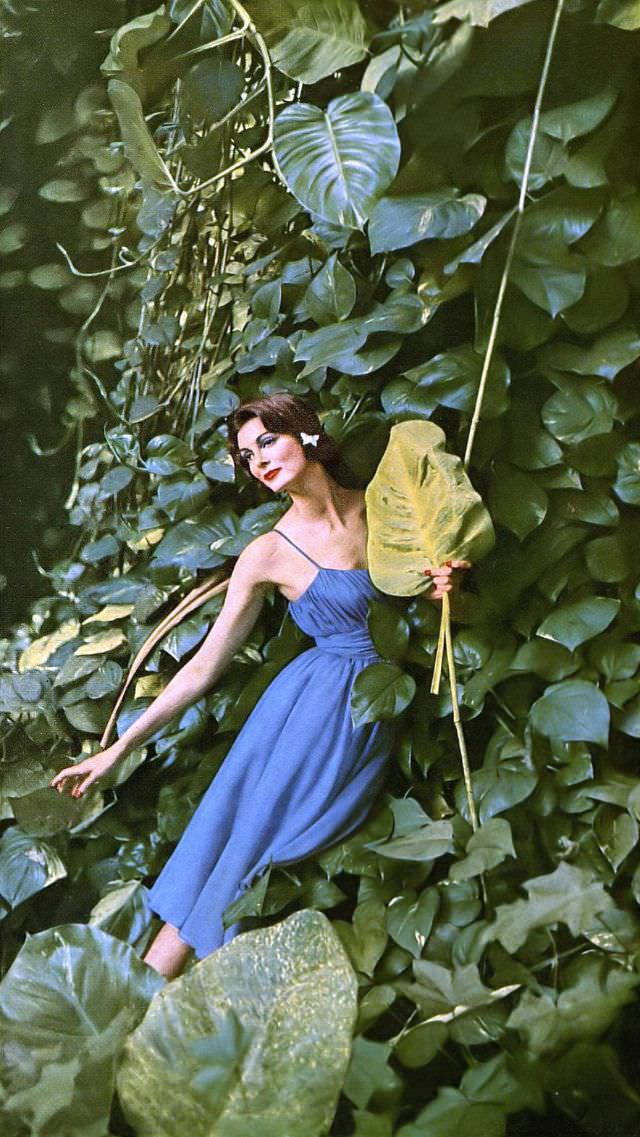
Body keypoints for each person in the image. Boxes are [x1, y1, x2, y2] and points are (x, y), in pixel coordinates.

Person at [51, 394, 467, 977]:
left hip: (370, 703)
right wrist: (118, 747)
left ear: (308, 434)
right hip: (307, 715)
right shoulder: (267, 553)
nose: (258, 461)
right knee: (233, 856)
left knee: (250, 860)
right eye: (246, 456)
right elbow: (203, 665)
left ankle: (166, 1021)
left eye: (267, 441)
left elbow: (434, 598)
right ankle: (134, 1022)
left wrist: (449, 584)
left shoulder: (385, 507)